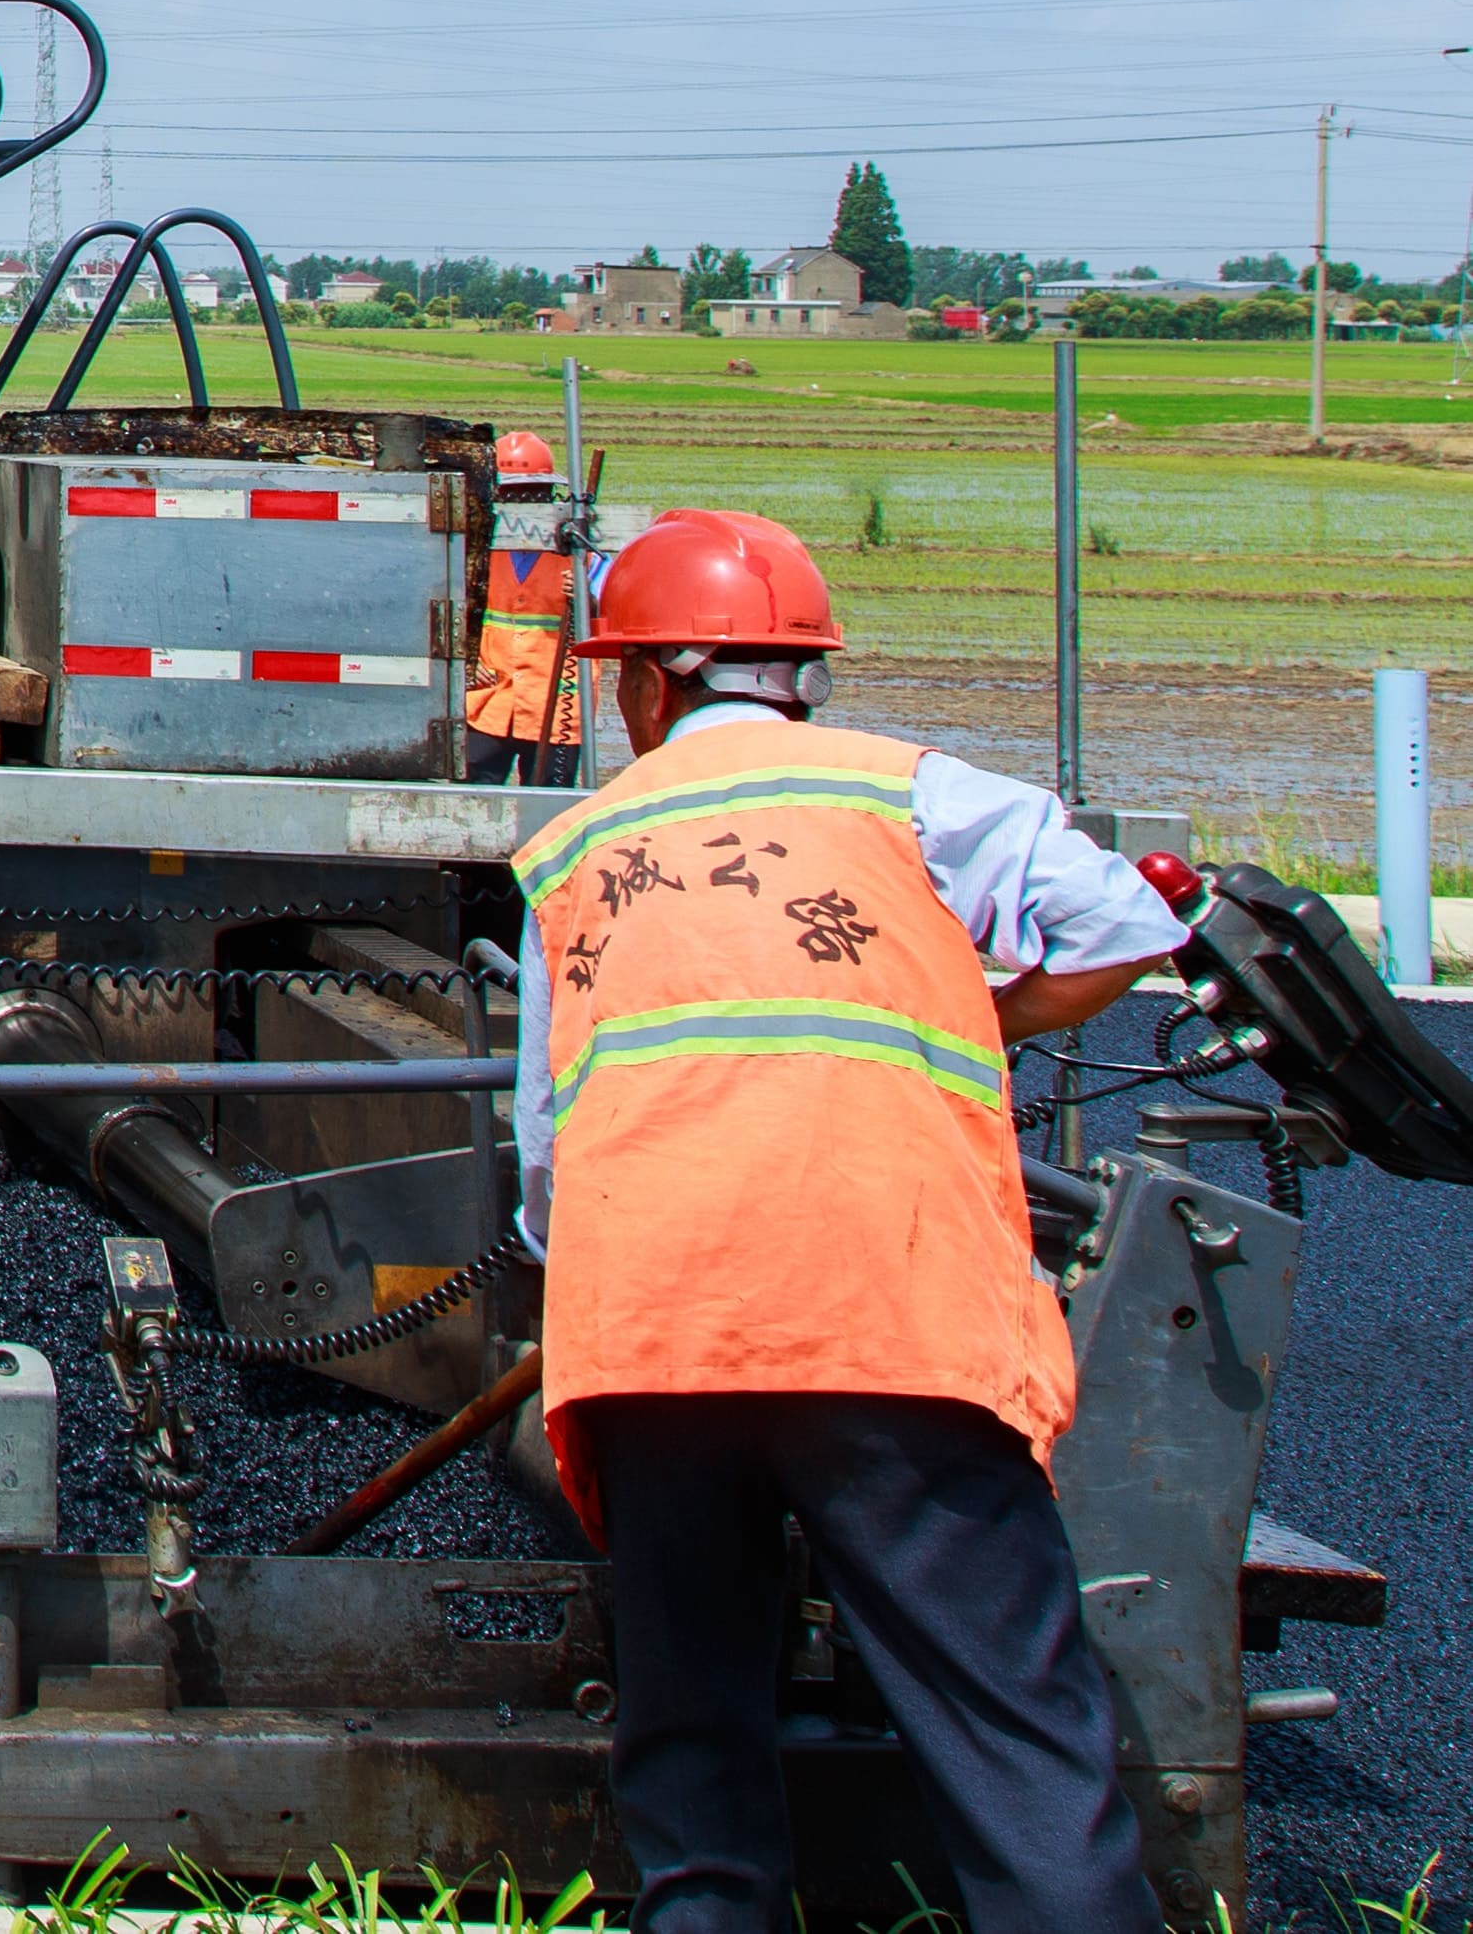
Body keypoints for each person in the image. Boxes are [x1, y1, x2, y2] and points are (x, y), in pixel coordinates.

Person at [507, 509, 1186, 1934]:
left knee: (689, 1737)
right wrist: (975, 1013)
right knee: (1005, 1729)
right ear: (800, 679)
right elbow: (1126, 928)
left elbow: (544, 1159)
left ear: (640, 684)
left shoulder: (576, 850)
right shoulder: (913, 796)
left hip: (654, 1340)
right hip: (886, 1319)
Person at [465, 427, 588, 778]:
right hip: (488, 700)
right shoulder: (472, 545)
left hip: (556, 701)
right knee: (474, 799)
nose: (523, 501)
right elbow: (446, 612)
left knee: (546, 808)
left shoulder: (582, 551)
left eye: (532, 492)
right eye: (513, 492)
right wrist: (465, 664)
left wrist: (587, 598)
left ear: (551, 493)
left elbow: (614, 617)